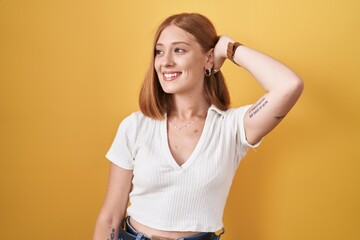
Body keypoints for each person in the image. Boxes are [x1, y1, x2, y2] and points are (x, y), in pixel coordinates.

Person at [93, 12, 303, 240]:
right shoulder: (135, 126)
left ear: (208, 59)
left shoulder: (231, 127)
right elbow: (110, 217)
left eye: (179, 50)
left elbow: (288, 86)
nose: (165, 61)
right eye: (159, 51)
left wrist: (229, 48)